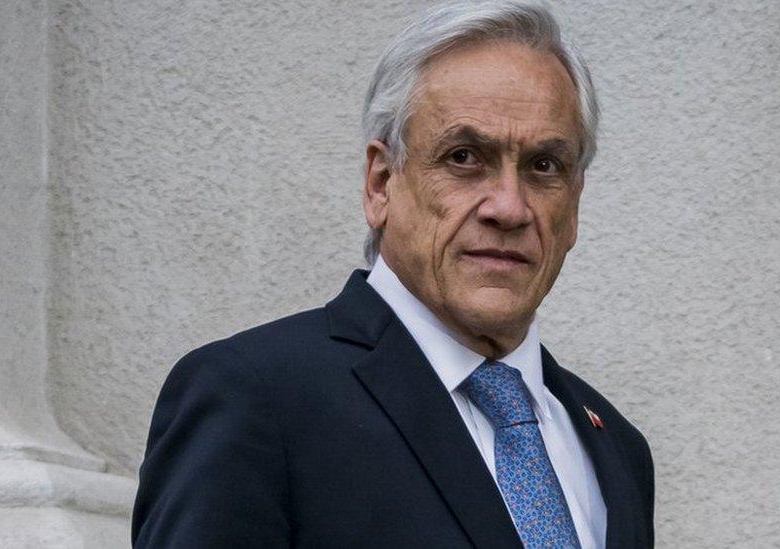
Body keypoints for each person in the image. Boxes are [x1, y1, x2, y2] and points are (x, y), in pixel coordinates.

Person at [132, 1, 654, 547]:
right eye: (464, 157)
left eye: (544, 167)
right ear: (381, 184)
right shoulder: (255, 397)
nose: (509, 207)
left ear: (574, 206)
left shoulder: (618, 448)